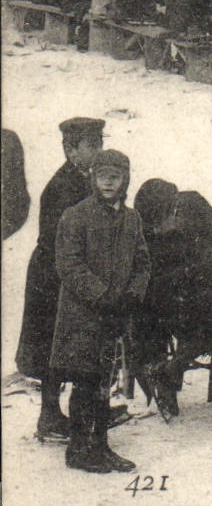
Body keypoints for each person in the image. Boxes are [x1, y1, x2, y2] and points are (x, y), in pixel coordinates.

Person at [131, 179, 212, 424]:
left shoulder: (194, 204)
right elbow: (147, 268)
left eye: (173, 207)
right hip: (174, 294)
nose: (172, 214)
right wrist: (159, 233)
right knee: (199, 322)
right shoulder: (143, 225)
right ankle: (169, 376)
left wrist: (197, 265)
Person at [52, 148, 148, 473]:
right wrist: (102, 295)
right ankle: (79, 450)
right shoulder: (75, 215)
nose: (109, 182)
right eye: (102, 175)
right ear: (93, 179)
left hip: (115, 314)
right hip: (82, 316)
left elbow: (142, 262)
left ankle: (101, 446)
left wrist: (132, 294)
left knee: (104, 381)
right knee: (85, 380)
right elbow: (69, 265)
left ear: (125, 180)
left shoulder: (132, 219)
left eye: (115, 176)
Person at [17, 118, 103, 442]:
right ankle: (49, 416)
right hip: (51, 276)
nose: (99, 151)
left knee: (64, 344)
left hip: (70, 273)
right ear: (70, 149)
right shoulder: (61, 187)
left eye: (100, 143)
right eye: (91, 145)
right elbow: (62, 240)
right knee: (52, 346)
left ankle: (62, 413)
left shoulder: (88, 179)